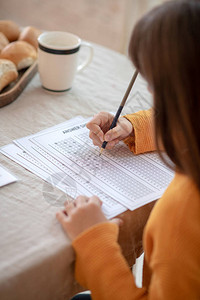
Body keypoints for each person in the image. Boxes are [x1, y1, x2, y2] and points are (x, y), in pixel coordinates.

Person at [56, 0, 200, 299]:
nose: (148, 92)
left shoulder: (185, 213)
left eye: (153, 83)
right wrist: (135, 127)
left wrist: (94, 241)